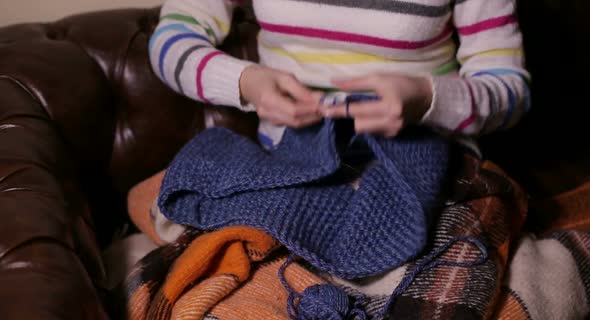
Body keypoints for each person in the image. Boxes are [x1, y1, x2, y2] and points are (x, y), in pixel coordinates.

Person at [149, 0, 529, 149]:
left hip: (430, 176)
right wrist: (246, 83)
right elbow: (170, 42)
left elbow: (511, 92)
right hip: (291, 171)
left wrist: (427, 98)